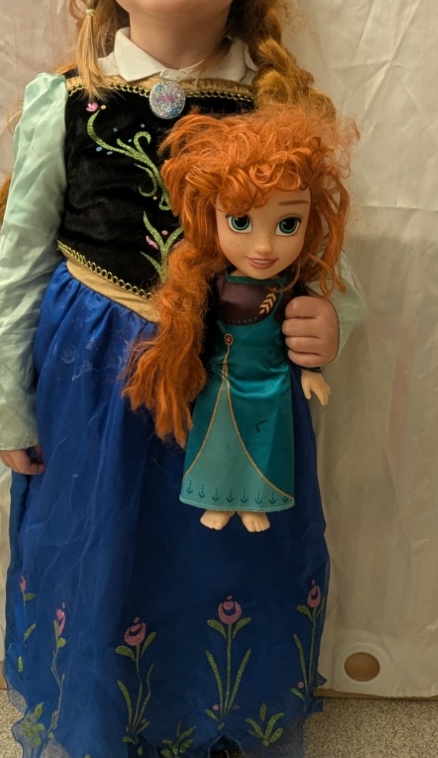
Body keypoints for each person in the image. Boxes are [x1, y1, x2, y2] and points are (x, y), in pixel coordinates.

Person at [0, 0, 365, 758]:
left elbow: (320, 252)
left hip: (236, 388)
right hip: (91, 387)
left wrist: (329, 318)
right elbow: (18, 266)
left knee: (218, 559)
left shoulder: (280, 110)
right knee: (105, 553)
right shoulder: (63, 102)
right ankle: (117, 724)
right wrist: (7, 399)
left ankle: (204, 726)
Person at [124, 104, 354, 534]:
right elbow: (193, 329)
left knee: (264, 442)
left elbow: (305, 325)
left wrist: (311, 369)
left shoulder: (289, 288)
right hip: (221, 381)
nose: (263, 247)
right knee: (217, 441)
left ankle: (254, 502)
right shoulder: (211, 285)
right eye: (241, 221)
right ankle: (217, 500)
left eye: (288, 224)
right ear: (211, 217)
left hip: (270, 383)